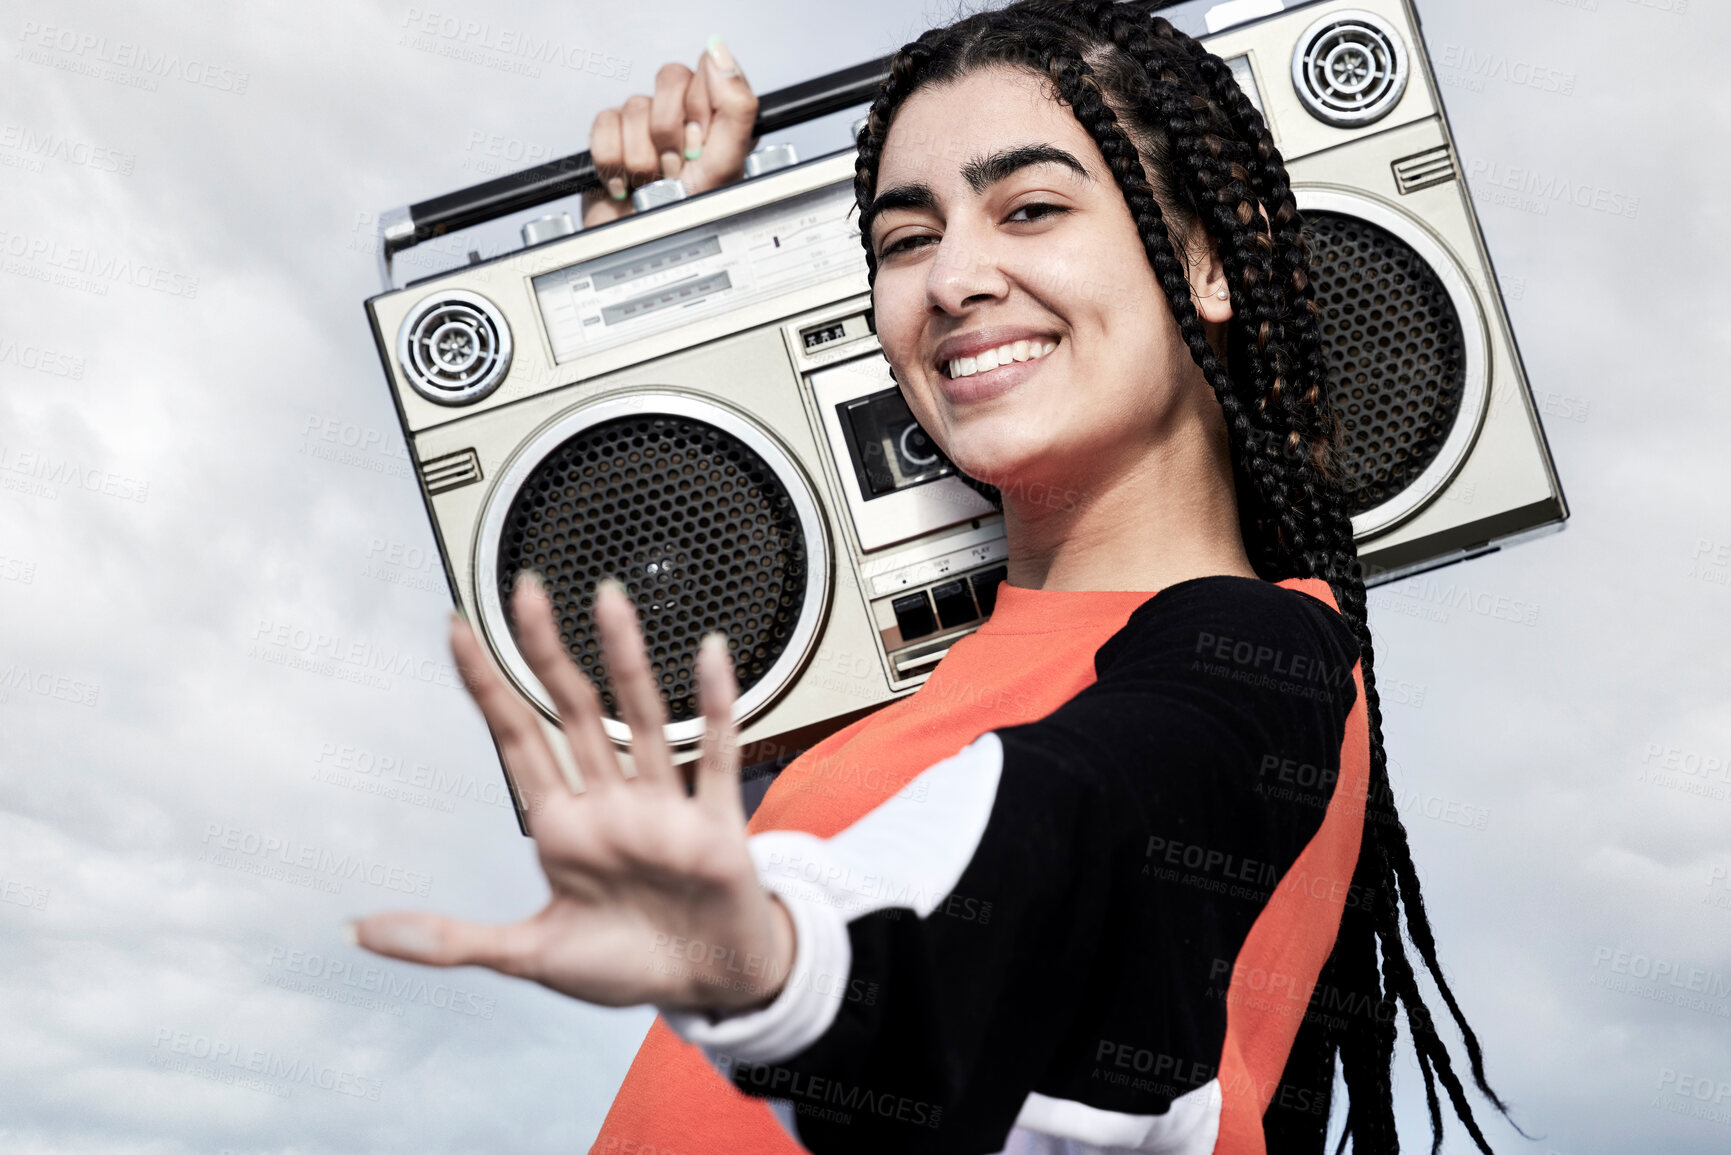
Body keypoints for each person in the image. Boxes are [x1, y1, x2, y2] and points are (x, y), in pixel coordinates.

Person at [352, 3, 1521, 1151]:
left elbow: (1055, 849)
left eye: (1031, 207)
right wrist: (650, 259)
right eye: (907, 238)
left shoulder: (1260, 658)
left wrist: (785, 971)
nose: (955, 277)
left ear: (1213, 257)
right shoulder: (863, 723)